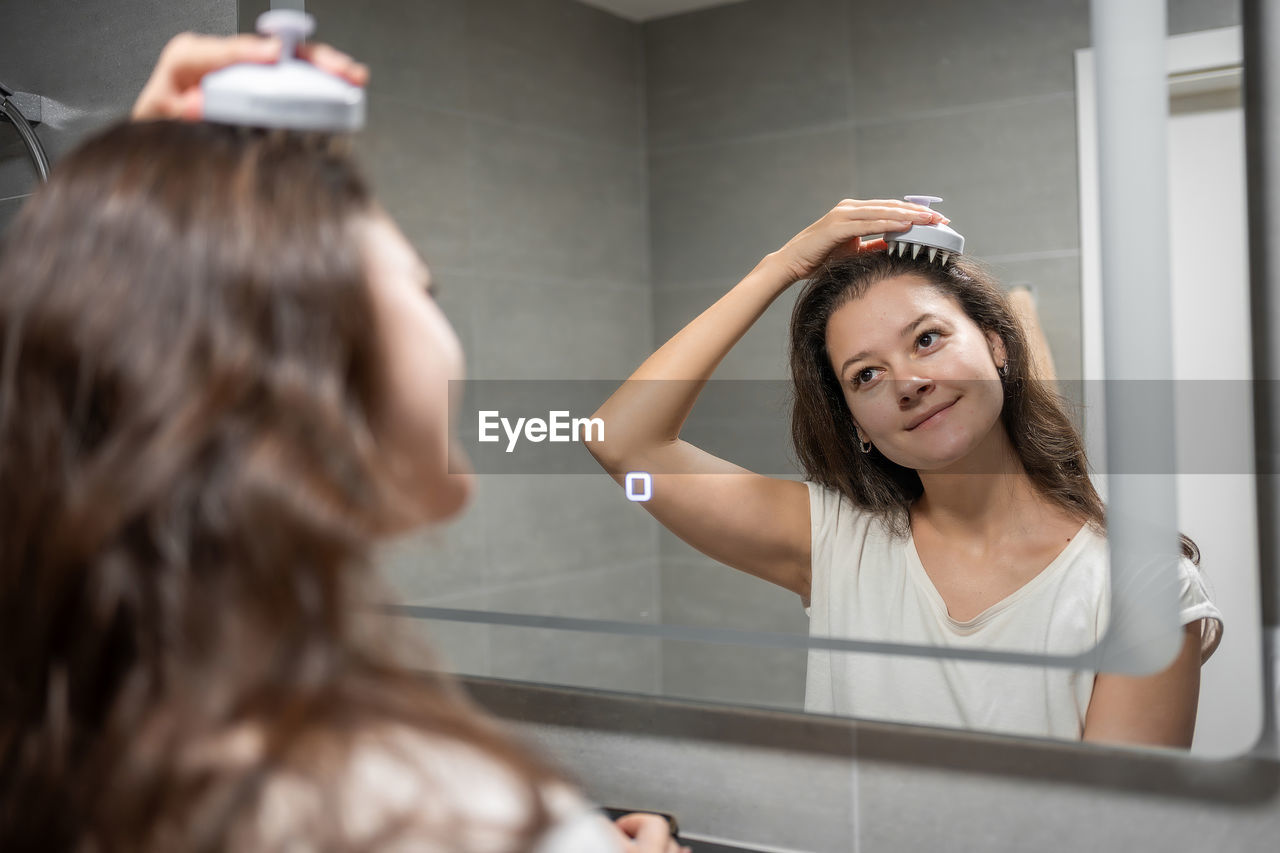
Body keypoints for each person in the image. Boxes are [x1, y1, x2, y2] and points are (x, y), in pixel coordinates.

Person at [0, 32, 687, 852]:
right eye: (421, 287)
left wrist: (125, 260)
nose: (445, 321)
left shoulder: (74, 741)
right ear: (308, 361)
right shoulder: (446, 813)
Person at [586, 200, 1224, 747]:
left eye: (926, 339)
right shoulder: (836, 542)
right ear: (857, 424)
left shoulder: (1143, 588)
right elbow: (620, 441)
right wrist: (782, 266)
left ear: (998, 345)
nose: (909, 383)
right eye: (866, 375)